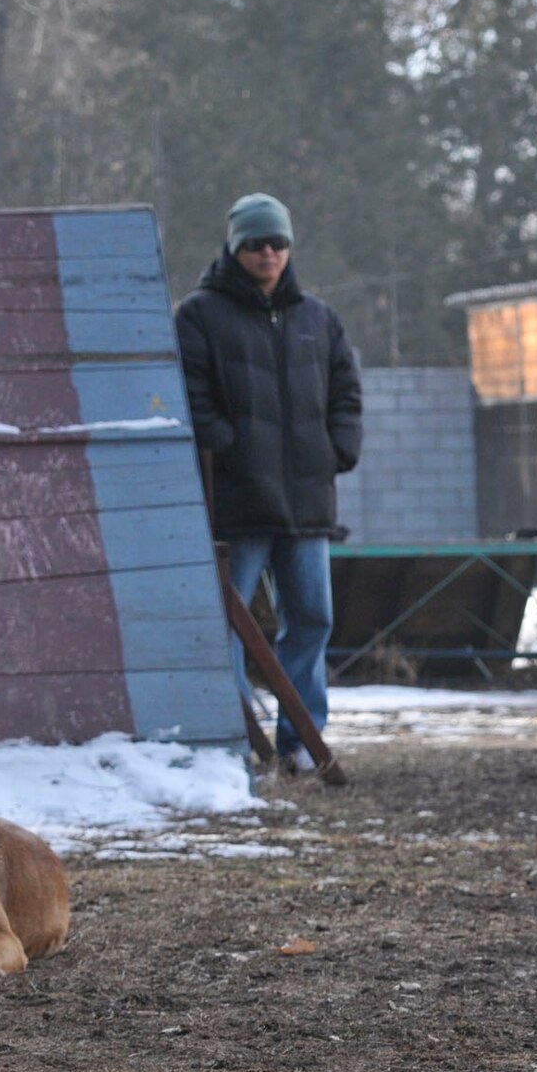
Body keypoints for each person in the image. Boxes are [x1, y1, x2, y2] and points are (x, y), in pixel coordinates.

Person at [175, 194, 362, 772]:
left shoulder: (319, 319)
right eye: (256, 243)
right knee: (226, 625)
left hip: (307, 502)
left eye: (277, 243)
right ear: (235, 247)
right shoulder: (199, 316)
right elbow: (191, 395)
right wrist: (229, 450)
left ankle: (301, 739)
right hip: (238, 502)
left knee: (312, 620)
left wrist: (339, 449)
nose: (268, 253)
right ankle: (237, 739)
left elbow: (346, 392)